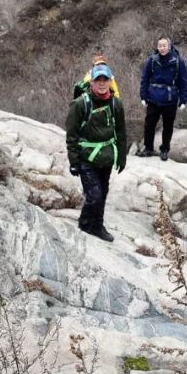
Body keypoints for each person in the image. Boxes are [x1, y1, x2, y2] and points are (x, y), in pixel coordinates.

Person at [66, 62, 127, 242]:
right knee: (94, 196)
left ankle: (98, 226)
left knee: (103, 193)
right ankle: (85, 225)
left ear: (110, 81)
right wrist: (74, 161)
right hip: (87, 158)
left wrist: (121, 157)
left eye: (105, 79)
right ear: (91, 82)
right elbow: (72, 135)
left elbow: (121, 132)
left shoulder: (116, 104)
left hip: (106, 157)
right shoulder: (80, 104)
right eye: (98, 80)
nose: (102, 83)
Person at [137, 35, 187, 161]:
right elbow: (145, 79)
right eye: (160, 45)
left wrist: (183, 100)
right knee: (149, 125)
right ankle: (148, 148)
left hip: (170, 100)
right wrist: (143, 96)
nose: (162, 48)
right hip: (153, 98)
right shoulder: (152, 60)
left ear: (169, 46)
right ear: (157, 46)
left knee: (168, 127)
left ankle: (164, 150)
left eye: (164, 45)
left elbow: (183, 82)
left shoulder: (178, 62)